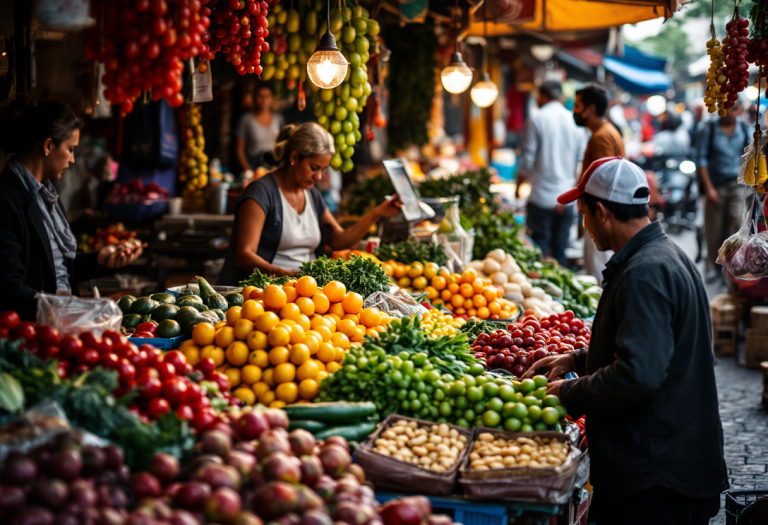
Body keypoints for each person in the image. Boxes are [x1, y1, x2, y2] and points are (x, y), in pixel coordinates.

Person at [527, 157, 727, 525]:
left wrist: (567, 393)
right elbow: (657, 350)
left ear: (601, 212)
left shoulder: (644, 273)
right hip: (668, 465)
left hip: (656, 479)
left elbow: (639, 374)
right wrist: (579, 359)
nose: (583, 226)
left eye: (583, 215)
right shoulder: (663, 256)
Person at [0, 101, 143, 321]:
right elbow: (8, 286)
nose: (73, 159)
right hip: (33, 330)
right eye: (70, 149)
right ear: (48, 146)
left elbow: (57, 269)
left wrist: (100, 260)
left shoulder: (47, 196)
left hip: (60, 323)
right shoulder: (7, 199)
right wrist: (63, 309)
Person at [218, 123, 402, 283]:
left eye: (323, 169)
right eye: (314, 168)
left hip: (305, 294)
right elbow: (244, 255)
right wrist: (285, 275)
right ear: (294, 158)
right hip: (265, 295)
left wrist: (376, 214)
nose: (319, 177)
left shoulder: (312, 195)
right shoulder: (261, 193)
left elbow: (338, 240)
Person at [516, 81, 585, 266]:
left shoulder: (536, 119)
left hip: (540, 198)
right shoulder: (575, 121)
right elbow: (581, 163)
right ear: (561, 97)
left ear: (542, 96)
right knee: (559, 252)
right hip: (566, 198)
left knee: (537, 254)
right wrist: (573, 193)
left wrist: (518, 187)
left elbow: (526, 161)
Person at [573, 84, 625, 283]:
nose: (574, 111)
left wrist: (596, 218)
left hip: (600, 217)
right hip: (601, 215)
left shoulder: (601, 137)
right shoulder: (605, 132)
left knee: (597, 275)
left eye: (577, 106)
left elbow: (605, 182)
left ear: (591, 109)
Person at [695, 101, 751, 283]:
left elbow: (753, 154)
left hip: (737, 185)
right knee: (714, 230)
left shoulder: (744, 128)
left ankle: (731, 267)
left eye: (735, 108)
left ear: (740, 109)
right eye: (728, 108)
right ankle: (712, 266)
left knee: (736, 222)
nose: (731, 112)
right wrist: (708, 188)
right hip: (715, 186)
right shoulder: (708, 129)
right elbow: (701, 160)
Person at [235, 84, 284, 171]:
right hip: (254, 166)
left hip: (274, 167)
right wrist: (248, 170)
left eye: (267, 97)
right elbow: (239, 150)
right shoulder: (246, 120)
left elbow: (283, 145)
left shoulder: (278, 119)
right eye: (260, 96)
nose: (263, 100)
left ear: (272, 98)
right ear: (254, 98)